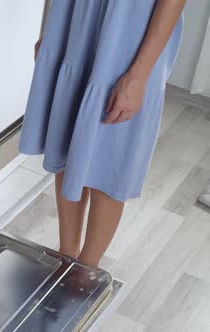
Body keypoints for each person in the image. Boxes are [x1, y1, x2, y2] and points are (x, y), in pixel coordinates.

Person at [19, 0, 186, 267]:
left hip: (130, 36)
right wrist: (52, 29)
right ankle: (67, 255)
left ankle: (88, 268)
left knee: (109, 159)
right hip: (77, 23)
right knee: (68, 143)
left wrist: (138, 76)